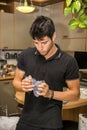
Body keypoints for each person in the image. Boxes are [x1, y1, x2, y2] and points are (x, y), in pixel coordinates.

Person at [13, 15, 80, 130]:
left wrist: (51, 93)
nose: (40, 48)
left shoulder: (68, 61)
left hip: (51, 123)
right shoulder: (26, 55)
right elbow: (16, 82)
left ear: (53, 36)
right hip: (26, 119)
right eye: (36, 43)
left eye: (44, 42)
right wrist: (22, 86)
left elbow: (75, 95)